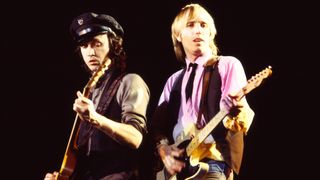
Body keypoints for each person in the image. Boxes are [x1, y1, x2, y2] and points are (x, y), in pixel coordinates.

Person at [151, 3, 255, 180]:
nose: (198, 30)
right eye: (190, 25)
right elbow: (156, 128)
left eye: (203, 25)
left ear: (210, 33)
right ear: (178, 35)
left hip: (214, 162)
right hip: (179, 168)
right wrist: (164, 149)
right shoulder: (173, 80)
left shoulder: (227, 64)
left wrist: (234, 110)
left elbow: (242, 117)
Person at [44, 12, 150, 180]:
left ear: (113, 46)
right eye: (84, 46)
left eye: (96, 43)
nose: (90, 52)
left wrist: (95, 118)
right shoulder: (89, 91)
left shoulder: (130, 81)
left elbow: (135, 138)